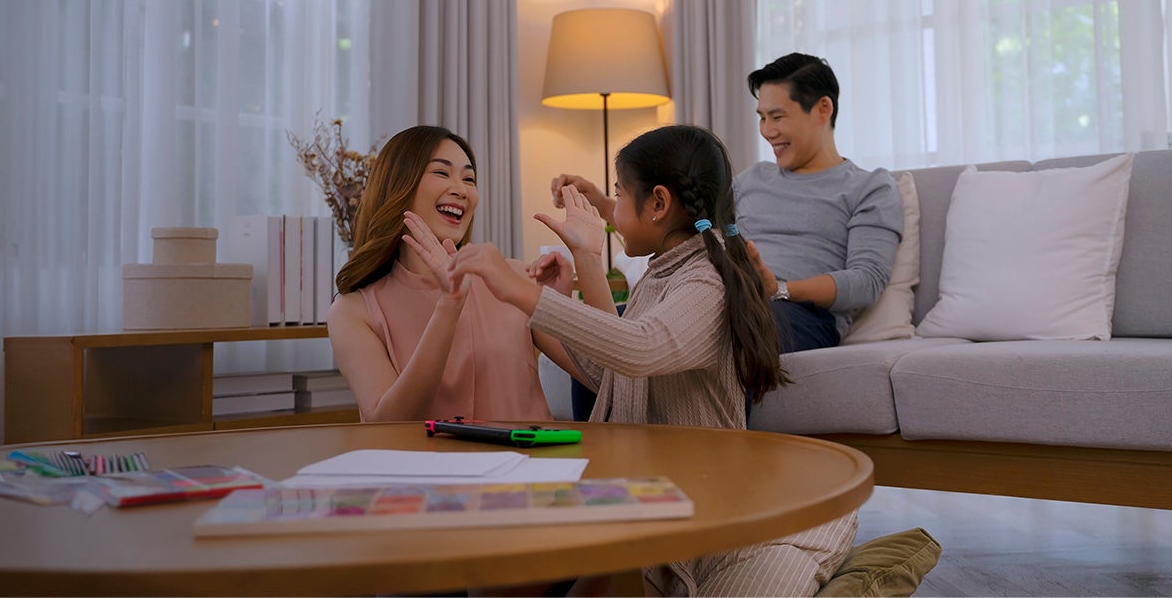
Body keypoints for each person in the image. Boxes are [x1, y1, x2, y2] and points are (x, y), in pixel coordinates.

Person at [447, 125, 857, 596]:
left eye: (620, 194)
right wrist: (582, 261)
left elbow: (640, 347)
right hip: (647, 504)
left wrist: (516, 288)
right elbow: (612, 371)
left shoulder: (706, 280)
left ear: (658, 203)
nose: (613, 209)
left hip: (695, 519)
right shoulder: (663, 273)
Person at [551, 53, 900, 354]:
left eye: (777, 117)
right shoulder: (753, 179)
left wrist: (777, 288)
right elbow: (679, 225)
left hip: (799, 314)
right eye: (761, 117)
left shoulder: (869, 186)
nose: (767, 130)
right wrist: (600, 203)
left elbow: (866, 280)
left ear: (823, 109)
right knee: (597, 330)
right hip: (719, 293)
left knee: (716, 323)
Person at [327, 125, 581, 423]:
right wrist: (450, 305)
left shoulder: (512, 277)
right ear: (399, 185)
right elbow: (386, 423)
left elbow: (606, 379)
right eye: (441, 173)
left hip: (529, 454)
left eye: (469, 179)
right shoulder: (352, 312)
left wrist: (573, 284)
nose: (461, 190)